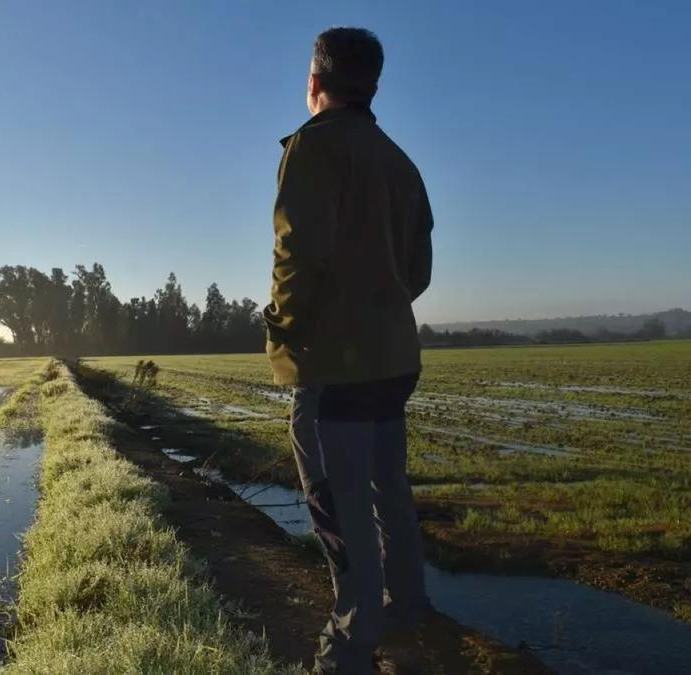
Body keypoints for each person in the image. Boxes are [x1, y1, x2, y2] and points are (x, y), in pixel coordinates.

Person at [263, 27, 435, 674]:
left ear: (315, 82)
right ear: (373, 86)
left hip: (333, 362)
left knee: (337, 504)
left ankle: (349, 646)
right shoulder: (399, 160)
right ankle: (410, 606)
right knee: (389, 487)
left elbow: (296, 254)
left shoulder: (311, 148)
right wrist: (383, 299)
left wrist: (282, 327)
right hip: (395, 358)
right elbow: (418, 269)